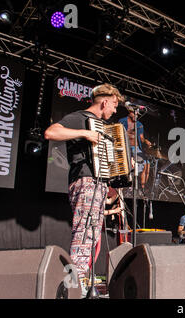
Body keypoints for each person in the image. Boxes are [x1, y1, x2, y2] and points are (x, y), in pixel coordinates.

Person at [44, 83, 124, 296]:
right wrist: (85, 133)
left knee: (92, 237)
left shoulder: (104, 126)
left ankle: (81, 284)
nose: (115, 111)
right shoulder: (81, 117)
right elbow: (51, 132)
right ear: (104, 101)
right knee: (83, 235)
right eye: (114, 105)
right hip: (85, 181)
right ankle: (74, 286)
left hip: (98, 184)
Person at [118, 109, 152, 195]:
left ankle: (142, 188)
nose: (136, 115)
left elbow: (141, 138)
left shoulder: (139, 124)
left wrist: (146, 141)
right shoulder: (122, 121)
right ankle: (126, 186)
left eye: (137, 113)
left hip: (137, 148)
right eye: (135, 113)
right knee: (129, 166)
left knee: (147, 164)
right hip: (126, 147)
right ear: (130, 112)